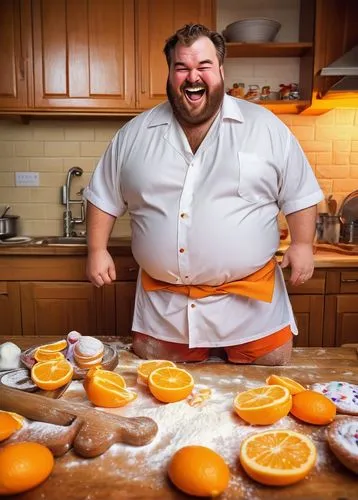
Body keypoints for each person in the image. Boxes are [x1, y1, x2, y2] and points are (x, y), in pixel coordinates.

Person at [83, 24, 323, 366]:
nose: (192, 76)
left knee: (266, 384)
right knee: (163, 394)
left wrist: (302, 244)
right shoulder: (134, 134)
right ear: (169, 73)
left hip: (252, 308)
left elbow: (299, 192)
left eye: (204, 66)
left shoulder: (266, 127)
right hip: (166, 311)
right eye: (181, 67)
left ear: (221, 71)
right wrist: (96, 249)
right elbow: (104, 194)